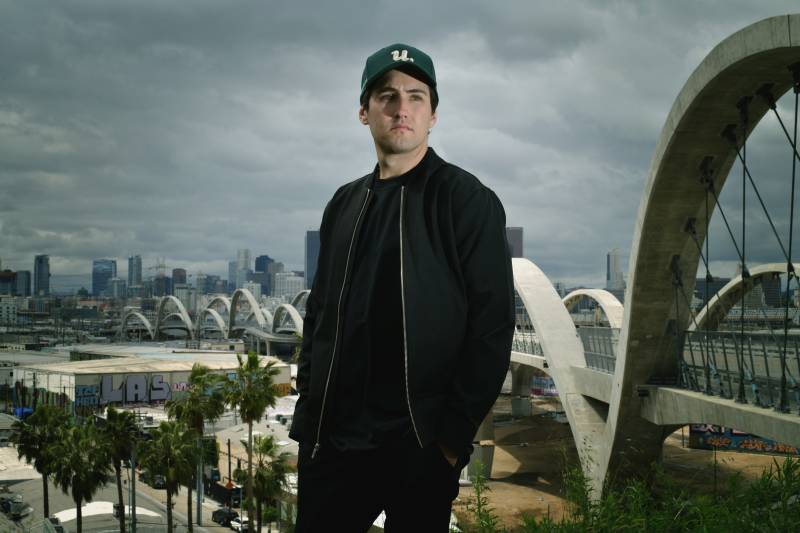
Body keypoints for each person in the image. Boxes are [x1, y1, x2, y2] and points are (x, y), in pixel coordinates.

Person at [290, 43, 515, 532]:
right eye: (387, 96)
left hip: (420, 446)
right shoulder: (343, 204)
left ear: (433, 115)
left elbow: (492, 326)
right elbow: (321, 313)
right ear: (364, 112)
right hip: (335, 444)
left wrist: (452, 440)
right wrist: (310, 417)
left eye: (416, 96)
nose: (401, 108)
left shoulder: (466, 200)